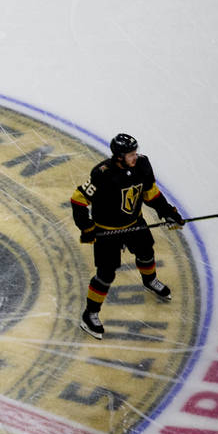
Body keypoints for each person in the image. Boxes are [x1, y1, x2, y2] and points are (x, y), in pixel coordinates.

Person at [70, 133, 186, 339]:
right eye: (131, 154)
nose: (135, 156)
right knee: (106, 274)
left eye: (135, 152)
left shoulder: (142, 165)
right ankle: (90, 315)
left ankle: (150, 281)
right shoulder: (102, 174)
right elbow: (78, 200)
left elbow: (150, 193)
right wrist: (87, 227)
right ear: (118, 156)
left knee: (146, 253)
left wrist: (167, 211)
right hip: (107, 231)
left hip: (135, 223)